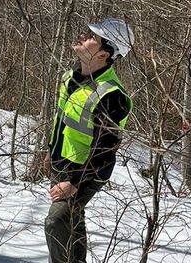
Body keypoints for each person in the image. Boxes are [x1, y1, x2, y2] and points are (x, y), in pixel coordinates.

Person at [45, 18, 134, 263]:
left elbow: (106, 149)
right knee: (71, 224)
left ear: (104, 53)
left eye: (92, 37)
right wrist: (49, 154)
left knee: (56, 221)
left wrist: (74, 181)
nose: (84, 37)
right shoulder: (70, 78)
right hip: (62, 164)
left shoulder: (111, 94)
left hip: (88, 171)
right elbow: (63, 122)